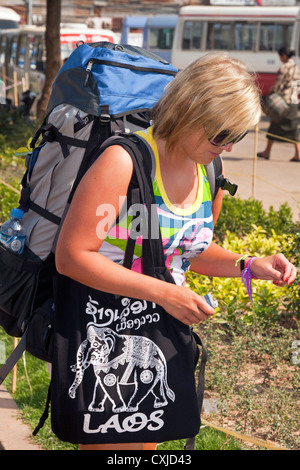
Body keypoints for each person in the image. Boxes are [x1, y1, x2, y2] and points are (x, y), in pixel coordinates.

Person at [55, 52, 297, 451]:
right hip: (107, 334)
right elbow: (73, 255)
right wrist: (167, 293)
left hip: (158, 336)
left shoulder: (210, 173)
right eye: (220, 133)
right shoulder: (124, 161)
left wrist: (249, 265)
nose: (226, 146)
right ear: (188, 106)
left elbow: (188, 252)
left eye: (237, 136)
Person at [258, 46, 300, 162]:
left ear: (284, 56)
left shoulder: (283, 68)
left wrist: (270, 91)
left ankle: (267, 152)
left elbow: (278, 87)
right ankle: (297, 153)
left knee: (274, 126)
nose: (280, 59)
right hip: (293, 102)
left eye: (280, 56)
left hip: (283, 103)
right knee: (293, 129)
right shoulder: (295, 67)